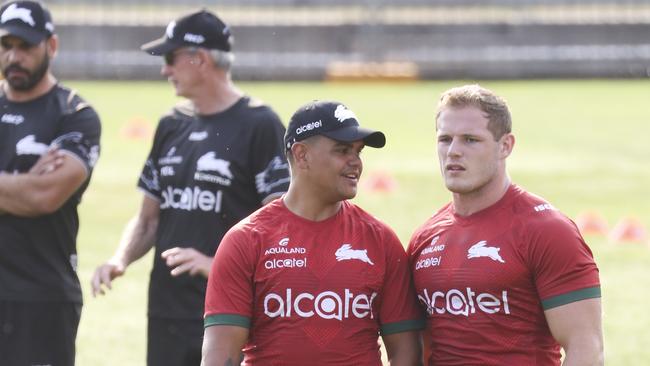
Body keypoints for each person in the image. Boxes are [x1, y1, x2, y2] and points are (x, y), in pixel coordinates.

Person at [90, 9, 290, 366]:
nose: (165, 69)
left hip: (229, 312)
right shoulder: (171, 124)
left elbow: (283, 229)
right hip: (166, 311)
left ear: (200, 59)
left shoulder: (260, 124)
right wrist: (119, 259)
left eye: (171, 58)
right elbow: (148, 220)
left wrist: (217, 265)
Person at [202, 100, 425, 365]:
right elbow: (220, 354)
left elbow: (406, 352)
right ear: (301, 155)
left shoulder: (381, 240)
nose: (355, 162)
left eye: (358, 152)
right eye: (342, 150)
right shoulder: (246, 240)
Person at [408, 84, 603, 365]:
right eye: (445, 139)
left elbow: (587, 347)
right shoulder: (424, 238)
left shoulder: (547, 230)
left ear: (505, 146)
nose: (453, 151)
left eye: (470, 140)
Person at [0, 1, 102, 365]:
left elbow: (46, 195)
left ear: (51, 46)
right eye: (6, 45)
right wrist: (23, 182)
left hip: (41, 297)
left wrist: (30, 188)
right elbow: (31, 190)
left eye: (25, 46)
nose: (14, 56)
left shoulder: (75, 115)